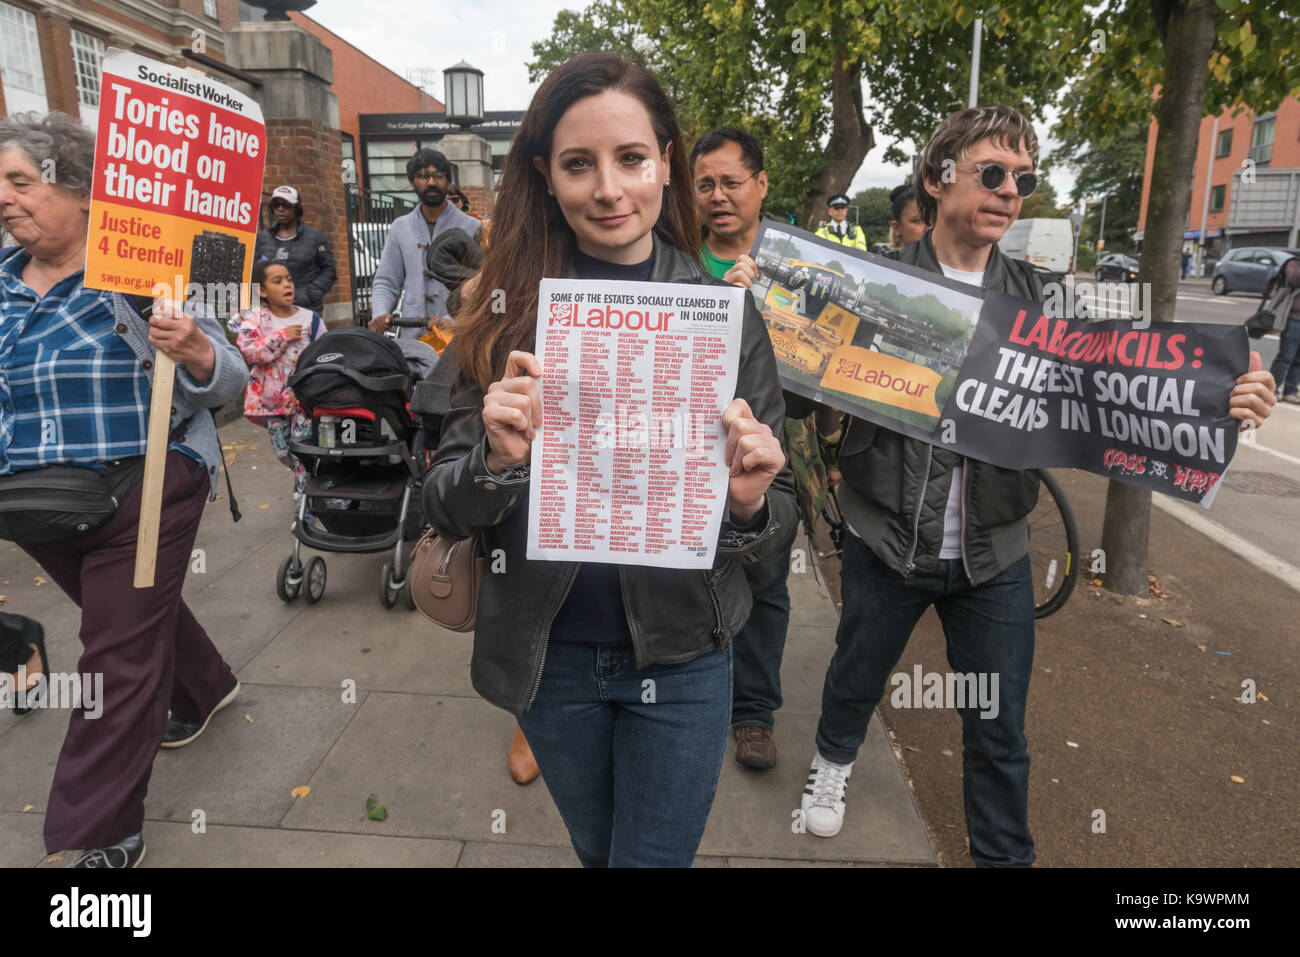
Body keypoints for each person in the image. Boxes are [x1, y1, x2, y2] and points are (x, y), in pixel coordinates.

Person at [801, 105, 1278, 865]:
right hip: (885, 537)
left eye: (1024, 178)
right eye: (992, 172)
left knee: (999, 728)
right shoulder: (875, 283)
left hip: (994, 554)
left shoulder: (1047, 302)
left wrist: (1223, 397)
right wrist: (771, 318)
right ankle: (832, 764)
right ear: (936, 178)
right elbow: (797, 384)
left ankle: (1003, 858)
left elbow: (1125, 382)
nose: (1010, 191)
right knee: (857, 673)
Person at [423, 52, 797, 867]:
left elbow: (779, 523)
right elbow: (442, 504)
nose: (608, 188)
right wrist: (495, 457)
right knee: (599, 852)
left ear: (667, 161)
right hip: (549, 660)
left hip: (685, 657)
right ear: (545, 176)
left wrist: (747, 503)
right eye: (578, 164)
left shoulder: (726, 317)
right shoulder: (503, 313)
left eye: (630, 158)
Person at [0, 112, 247, 867]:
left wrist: (198, 348)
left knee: (114, 655)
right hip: (35, 502)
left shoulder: (146, 270)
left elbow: (230, 380)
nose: (6, 199)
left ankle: (96, 833)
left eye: (21, 181)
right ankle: (207, 687)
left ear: (78, 189)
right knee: (133, 620)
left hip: (145, 489)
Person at [692, 125, 835, 771]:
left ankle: (753, 712)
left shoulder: (802, 266)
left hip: (775, 447)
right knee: (695, 573)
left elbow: (839, 361)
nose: (718, 196)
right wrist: (723, 307)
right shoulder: (675, 261)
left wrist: (831, 450)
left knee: (769, 578)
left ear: (761, 185)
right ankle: (694, 694)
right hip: (692, 449)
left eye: (731, 182)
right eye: (704, 185)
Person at [236, 260, 327, 497]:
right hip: (272, 406)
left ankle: (305, 505)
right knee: (284, 452)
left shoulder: (310, 319)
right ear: (263, 291)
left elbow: (327, 354)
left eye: (288, 279)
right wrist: (282, 336)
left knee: (303, 449)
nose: (287, 284)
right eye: (278, 281)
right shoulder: (255, 320)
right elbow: (250, 352)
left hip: (303, 401)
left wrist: (308, 360)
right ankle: (306, 480)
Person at [369, 149, 481, 339]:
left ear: (448, 181)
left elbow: (483, 286)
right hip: (413, 334)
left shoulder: (472, 227)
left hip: (458, 336)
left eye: (438, 175)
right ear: (413, 182)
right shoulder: (400, 227)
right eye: (422, 176)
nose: (431, 182)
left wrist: (453, 320)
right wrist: (379, 313)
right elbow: (386, 281)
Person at [253, 185, 338, 316]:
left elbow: (329, 270)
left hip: (306, 309)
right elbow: (255, 270)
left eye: (286, 205)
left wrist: (308, 293)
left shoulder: (314, 237)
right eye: (276, 205)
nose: (280, 209)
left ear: (297, 209)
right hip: (272, 311)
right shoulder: (264, 237)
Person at [1263, 256, 1300, 403]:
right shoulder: (1293, 263)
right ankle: (1272, 389)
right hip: (1294, 319)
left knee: (1299, 360)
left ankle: (1290, 391)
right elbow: (1295, 279)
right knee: (1285, 357)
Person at [888, 183, 927, 255]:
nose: (928, 228)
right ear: (897, 228)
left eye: (934, 220)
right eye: (917, 220)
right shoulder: (883, 265)